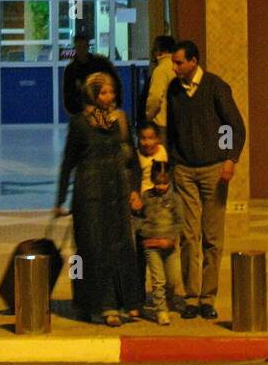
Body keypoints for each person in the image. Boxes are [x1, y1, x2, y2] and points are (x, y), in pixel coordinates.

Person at [56, 72, 144, 327]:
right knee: (90, 251)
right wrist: (61, 198)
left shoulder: (120, 120)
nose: (110, 97)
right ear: (93, 94)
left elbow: (132, 157)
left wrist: (135, 189)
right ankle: (93, 304)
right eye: (104, 92)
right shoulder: (80, 123)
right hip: (89, 194)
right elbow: (68, 162)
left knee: (120, 247)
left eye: (112, 92)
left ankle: (125, 302)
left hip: (116, 191)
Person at [166, 39, 246, 321]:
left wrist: (229, 159)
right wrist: (173, 163)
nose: (174, 67)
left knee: (212, 236)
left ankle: (208, 297)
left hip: (214, 168)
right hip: (184, 170)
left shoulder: (215, 87)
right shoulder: (174, 90)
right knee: (189, 235)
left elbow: (235, 126)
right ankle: (190, 296)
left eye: (178, 62)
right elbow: (172, 129)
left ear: (193, 61)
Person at [137, 160, 185, 326]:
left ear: (170, 181)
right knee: (158, 280)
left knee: (172, 279)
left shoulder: (175, 200)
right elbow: (139, 219)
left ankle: (169, 299)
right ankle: (161, 309)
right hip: (152, 246)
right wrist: (145, 235)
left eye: (164, 183)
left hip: (169, 246)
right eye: (157, 183)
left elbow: (180, 222)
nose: (161, 187)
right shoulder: (146, 197)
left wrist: (170, 239)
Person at [62, 33, 122, 116]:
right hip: (82, 114)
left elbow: (115, 84)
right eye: (79, 47)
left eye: (84, 46)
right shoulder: (71, 70)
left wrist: (113, 106)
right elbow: (68, 97)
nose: (82, 50)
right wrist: (80, 112)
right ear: (75, 48)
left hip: (103, 111)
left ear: (88, 47)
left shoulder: (101, 64)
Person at [142, 34, 177, 143]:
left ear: (161, 50)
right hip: (177, 121)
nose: (152, 51)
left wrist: (148, 116)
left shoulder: (160, 70)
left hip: (161, 122)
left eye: (155, 48)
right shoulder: (177, 66)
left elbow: (155, 98)